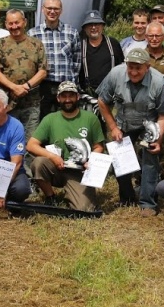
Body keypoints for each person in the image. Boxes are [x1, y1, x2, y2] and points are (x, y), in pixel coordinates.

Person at [97, 48, 164, 213]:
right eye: (130, 67)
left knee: (149, 159)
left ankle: (148, 203)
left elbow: (163, 116)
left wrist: (157, 140)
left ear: (147, 67)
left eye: (138, 68)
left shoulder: (160, 83)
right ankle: (127, 197)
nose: (134, 72)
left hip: (149, 124)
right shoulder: (115, 74)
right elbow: (102, 101)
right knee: (119, 160)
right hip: (124, 122)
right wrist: (113, 127)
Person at [28, 81, 106, 211]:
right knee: (38, 163)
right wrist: (52, 157)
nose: (68, 100)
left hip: (79, 171)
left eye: (71, 95)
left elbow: (99, 146)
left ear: (78, 97)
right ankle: (50, 196)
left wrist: (91, 161)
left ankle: (73, 192)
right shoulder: (50, 119)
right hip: (57, 168)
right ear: (58, 98)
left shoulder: (91, 118)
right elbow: (31, 145)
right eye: (64, 96)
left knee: (84, 209)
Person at [0, 8, 48, 173]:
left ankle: (30, 177)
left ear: (24, 22)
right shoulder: (0, 44)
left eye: (17, 22)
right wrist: (14, 87)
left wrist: (27, 86)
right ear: (6, 24)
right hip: (8, 102)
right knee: (7, 139)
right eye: (10, 23)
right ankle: (5, 175)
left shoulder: (36, 44)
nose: (14, 26)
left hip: (32, 101)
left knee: (30, 140)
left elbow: (43, 71)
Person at [29, 0, 82, 118]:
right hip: (43, 86)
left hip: (66, 85)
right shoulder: (33, 34)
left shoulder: (71, 32)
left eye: (56, 9)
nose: (52, 11)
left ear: (61, 11)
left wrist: (72, 80)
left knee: (68, 119)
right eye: (49, 8)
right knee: (44, 119)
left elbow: (77, 61)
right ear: (43, 9)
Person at [79, 10, 123, 96]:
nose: (94, 27)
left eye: (97, 24)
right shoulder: (80, 46)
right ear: (84, 28)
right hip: (88, 95)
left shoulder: (113, 43)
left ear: (102, 26)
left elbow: (121, 68)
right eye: (90, 25)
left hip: (111, 94)